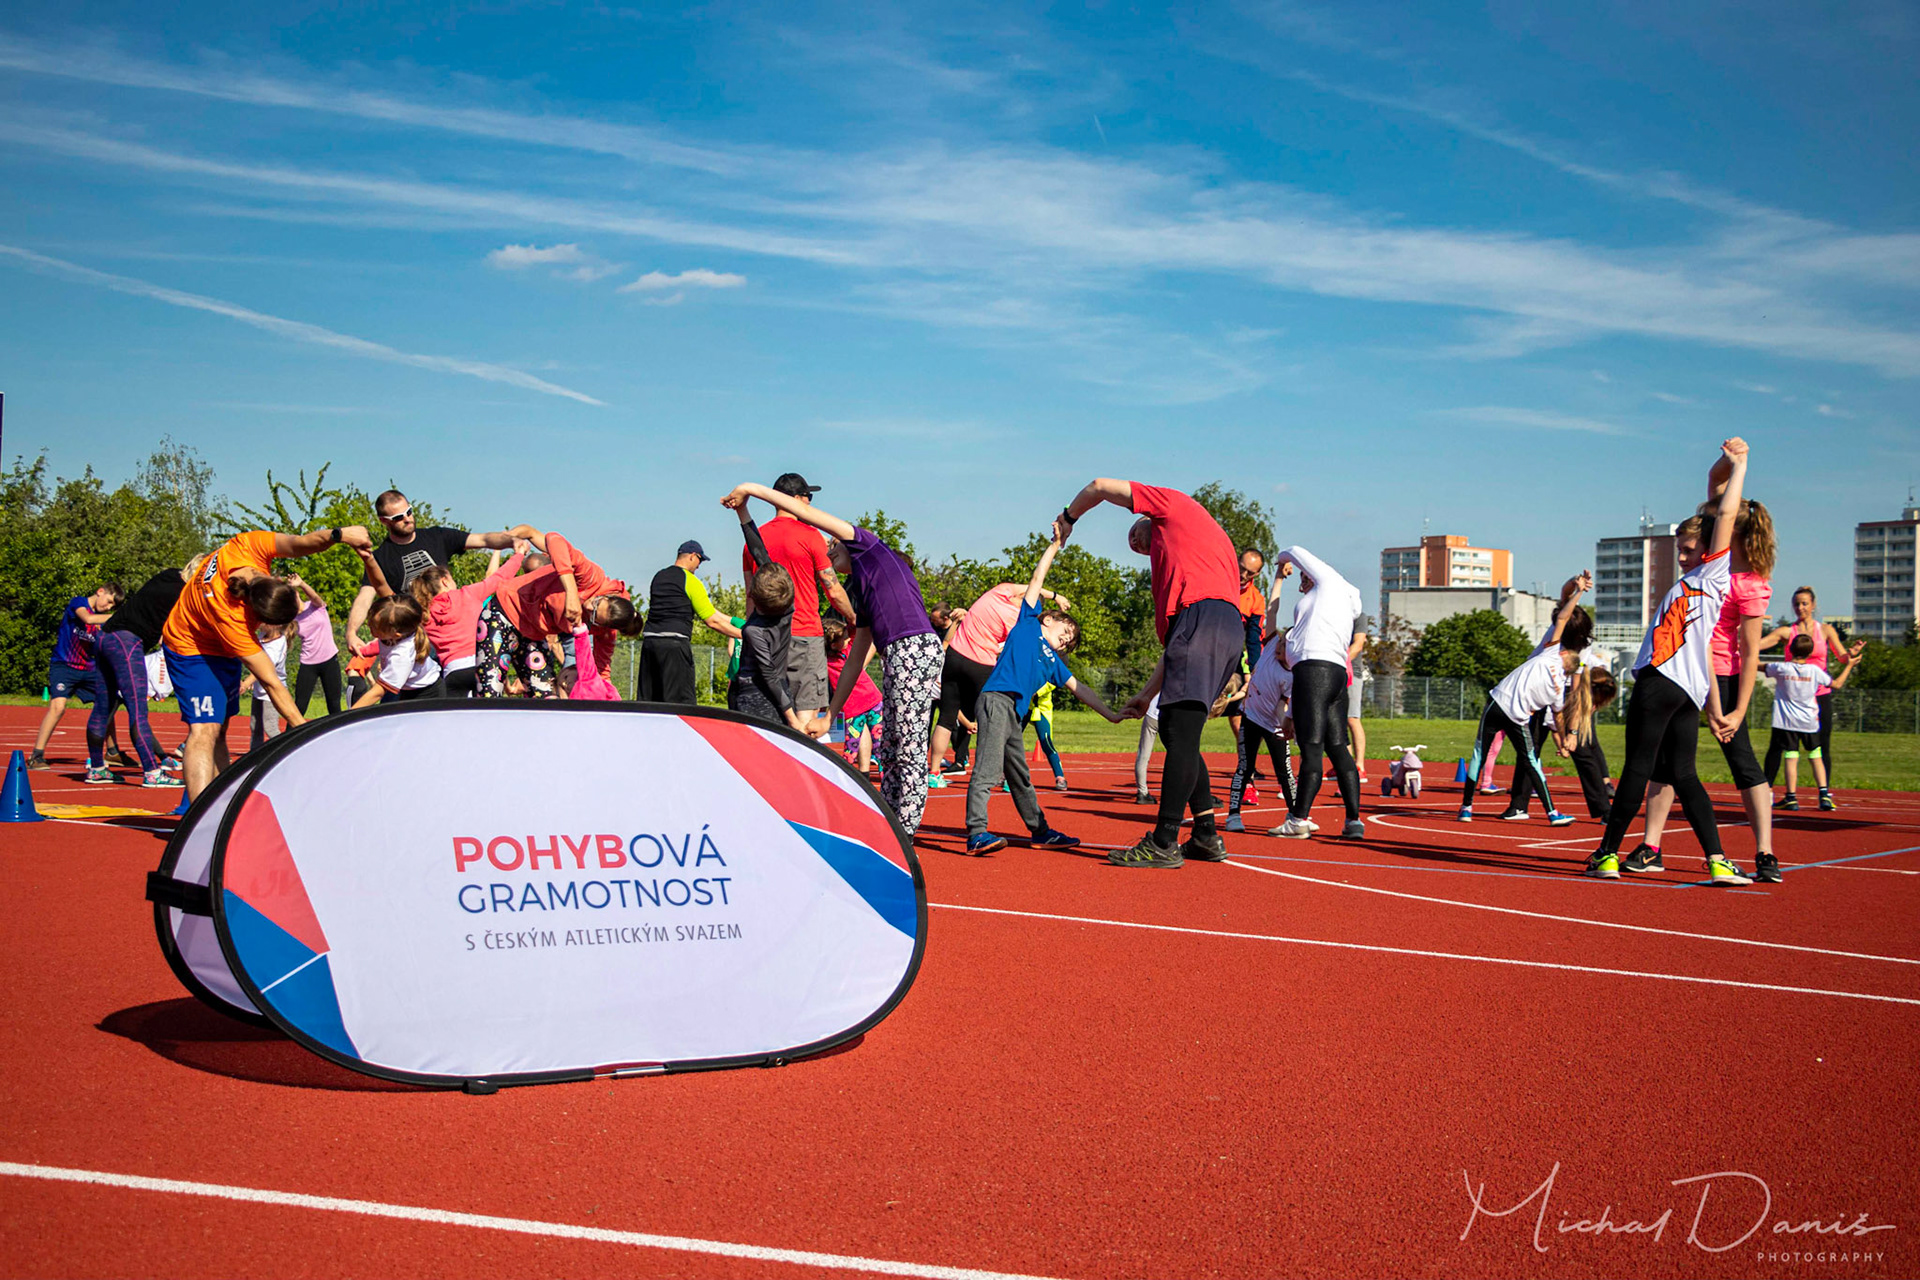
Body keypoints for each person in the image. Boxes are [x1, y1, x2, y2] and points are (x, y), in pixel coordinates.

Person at [722, 481, 942, 834]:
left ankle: (905, 831)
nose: (829, 546)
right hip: (898, 655)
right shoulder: (864, 590)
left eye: (834, 544)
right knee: (890, 746)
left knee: (908, 746)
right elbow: (856, 658)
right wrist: (830, 716)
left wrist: (750, 489)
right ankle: (890, 822)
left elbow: (804, 511)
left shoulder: (868, 547)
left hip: (913, 649)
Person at [1586, 439, 1751, 884]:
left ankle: (1607, 854)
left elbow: (1726, 515)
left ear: (1709, 551)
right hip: (1687, 692)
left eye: (1688, 550)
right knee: (1683, 774)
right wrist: (1724, 465)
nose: (1681, 558)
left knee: (1638, 769)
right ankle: (1717, 859)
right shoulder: (1698, 578)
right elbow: (1715, 493)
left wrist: (1741, 467)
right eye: (1679, 549)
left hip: (1661, 683)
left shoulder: (1713, 573)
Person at [1055, 479, 1240, 868]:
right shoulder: (1202, 552)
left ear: (1147, 516)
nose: (1137, 546)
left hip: (1202, 621)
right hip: (1221, 629)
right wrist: (1145, 694)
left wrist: (1069, 517)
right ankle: (1205, 835)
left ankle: (1163, 841)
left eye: (1137, 538)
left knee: (1180, 732)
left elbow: (1099, 486)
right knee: (1176, 729)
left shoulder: (1172, 505)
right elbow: (1176, 648)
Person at [1625, 495, 1778, 879]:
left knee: (1743, 762)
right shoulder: (1708, 570)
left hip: (1723, 679)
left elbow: (1749, 651)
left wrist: (1737, 710)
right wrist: (1729, 466)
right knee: (1666, 763)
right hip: (1689, 675)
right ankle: (1651, 847)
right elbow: (1717, 491)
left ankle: (1765, 853)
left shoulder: (1748, 584)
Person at [163, 525, 371, 803]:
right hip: (190, 647)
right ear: (259, 618)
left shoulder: (249, 546)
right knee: (204, 729)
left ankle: (223, 807)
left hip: (220, 647)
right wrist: (304, 730)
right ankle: (198, 817)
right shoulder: (234, 621)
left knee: (220, 730)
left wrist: (339, 535)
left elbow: (299, 544)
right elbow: (272, 683)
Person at [963, 532, 1128, 854]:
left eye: (1070, 642)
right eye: (1066, 632)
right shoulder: (1027, 623)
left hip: (1014, 714)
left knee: (1020, 776)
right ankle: (976, 833)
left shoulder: (1053, 662)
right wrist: (1054, 546)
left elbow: (1081, 689)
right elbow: (1037, 578)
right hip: (996, 701)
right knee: (988, 769)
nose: (1066, 640)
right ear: (1048, 618)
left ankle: (1040, 832)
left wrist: (1112, 715)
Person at [1458, 574, 1593, 827]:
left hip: (1498, 703)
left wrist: (1579, 593)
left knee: (1480, 754)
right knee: (1531, 762)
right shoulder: (1558, 688)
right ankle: (1552, 813)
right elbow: (1559, 716)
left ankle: (1466, 808)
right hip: (1517, 715)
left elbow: (1562, 618)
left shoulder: (1551, 651)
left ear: (1565, 657)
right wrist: (1565, 739)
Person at [1266, 546, 1367, 841]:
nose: (1303, 580)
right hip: (1334, 672)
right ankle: (1353, 821)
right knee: (1337, 746)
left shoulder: (1329, 582)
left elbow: (1295, 550)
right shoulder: (1347, 598)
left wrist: (1282, 561)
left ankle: (1298, 820)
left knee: (1311, 748)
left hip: (1313, 670)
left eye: (1305, 576)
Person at [742, 474, 856, 733]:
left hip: (767, 636)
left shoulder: (753, 541)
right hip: (805, 633)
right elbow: (832, 588)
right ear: (796, 499)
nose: (810, 503)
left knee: (771, 716)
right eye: (808, 497)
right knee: (806, 718)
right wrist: (852, 619)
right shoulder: (811, 536)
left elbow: (750, 595)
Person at [932, 578, 1073, 784]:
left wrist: (1055, 596)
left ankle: (934, 772)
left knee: (945, 718)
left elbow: (1034, 583)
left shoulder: (1000, 592)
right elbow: (1009, 649)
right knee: (994, 720)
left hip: (954, 655)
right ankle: (1000, 775)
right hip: (981, 663)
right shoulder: (1021, 623)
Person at [342, 489, 528, 645]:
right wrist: (351, 633)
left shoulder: (437, 536)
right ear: (384, 521)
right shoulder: (381, 557)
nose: (407, 519)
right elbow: (365, 597)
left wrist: (511, 541)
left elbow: (483, 539)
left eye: (409, 511)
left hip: (454, 631)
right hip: (418, 638)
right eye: (398, 517)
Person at [475, 530, 637, 699]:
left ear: (603, 626)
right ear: (607, 596)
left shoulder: (605, 633)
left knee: (546, 696)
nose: (589, 607)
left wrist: (608, 699)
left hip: (532, 634)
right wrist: (571, 592)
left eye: (594, 616)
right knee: (489, 693)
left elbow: (602, 673)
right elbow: (554, 539)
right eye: (596, 602)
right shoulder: (591, 577)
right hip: (503, 613)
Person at [87, 568, 186, 786]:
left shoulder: (168, 575)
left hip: (105, 637)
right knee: (137, 709)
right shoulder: (187, 593)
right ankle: (152, 772)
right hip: (127, 641)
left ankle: (96, 769)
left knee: (102, 706)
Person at [1759, 588, 1849, 793]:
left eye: (1805, 603)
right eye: (1797, 604)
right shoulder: (1786, 632)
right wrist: (1739, 641)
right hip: (1791, 698)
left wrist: (1851, 655)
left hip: (1819, 695)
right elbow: (1757, 644)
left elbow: (1842, 656)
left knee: (1822, 745)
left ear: (1813, 605)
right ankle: (1765, 790)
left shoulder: (1825, 630)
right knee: (1777, 745)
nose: (1800, 608)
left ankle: (1824, 792)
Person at [728, 512, 810, 733]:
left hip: (753, 696)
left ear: (753, 597)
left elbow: (768, 674)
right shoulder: (787, 605)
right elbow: (759, 552)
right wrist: (742, 512)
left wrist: (793, 721)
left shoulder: (754, 631)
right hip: (781, 691)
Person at [412, 544, 530, 697]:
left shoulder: (424, 614)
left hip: (453, 672)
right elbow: (499, 578)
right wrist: (519, 554)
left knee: (459, 713)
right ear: (445, 581)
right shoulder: (466, 594)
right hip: (483, 664)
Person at [29, 585, 125, 771]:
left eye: (112, 607)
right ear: (100, 591)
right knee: (58, 707)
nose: (108, 607)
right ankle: (36, 755)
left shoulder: (102, 620)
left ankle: (112, 752)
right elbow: (87, 618)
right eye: (108, 602)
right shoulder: (79, 603)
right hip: (64, 665)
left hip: (89, 668)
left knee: (107, 704)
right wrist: (117, 616)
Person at [1505, 665, 1619, 821]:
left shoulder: (1582, 672)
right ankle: (1518, 806)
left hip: (1561, 696)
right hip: (1546, 698)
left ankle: (1604, 809)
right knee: (1530, 752)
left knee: (1585, 751)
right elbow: (1553, 720)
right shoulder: (1566, 689)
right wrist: (1565, 740)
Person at [1766, 635, 1863, 816]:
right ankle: (1824, 794)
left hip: (1788, 721)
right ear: (1811, 653)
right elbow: (1837, 684)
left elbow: (1756, 665)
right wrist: (1849, 665)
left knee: (1791, 756)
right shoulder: (1815, 670)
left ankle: (1791, 796)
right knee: (1816, 756)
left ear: (1790, 650)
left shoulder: (1780, 668)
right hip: (1809, 721)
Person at [641, 541, 742, 704]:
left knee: (650, 703)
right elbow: (712, 621)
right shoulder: (691, 580)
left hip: (650, 644)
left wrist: (735, 623)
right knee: (681, 704)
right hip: (674, 646)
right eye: (700, 560)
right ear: (692, 556)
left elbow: (712, 612)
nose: (699, 566)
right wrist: (744, 634)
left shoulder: (659, 577)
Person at [1224, 610, 1297, 833]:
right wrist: (1277, 587)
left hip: (1273, 726)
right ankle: (1233, 815)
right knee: (1244, 768)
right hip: (1250, 718)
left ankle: (1295, 815)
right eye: (1280, 641)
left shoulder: (1291, 676)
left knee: (1284, 772)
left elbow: (1281, 706)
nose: (1279, 646)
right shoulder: (1270, 650)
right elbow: (1272, 611)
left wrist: (1285, 723)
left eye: (1285, 644)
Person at [824, 616, 883, 770]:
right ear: (833, 644)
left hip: (873, 702)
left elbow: (857, 627)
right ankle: (850, 777)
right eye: (844, 638)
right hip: (852, 709)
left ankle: (886, 778)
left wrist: (849, 620)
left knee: (881, 745)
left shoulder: (851, 649)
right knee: (851, 748)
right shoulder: (826, 661)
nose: (848, 638)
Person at [1227, 548, 1266, 779]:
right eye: (1241, 568)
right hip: (1207, 653)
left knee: (1238, 716)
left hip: (1233, 658)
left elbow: (1253, 639)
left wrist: (1255, 670)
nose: (1243, 575)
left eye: (1249, 573)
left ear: (1257, 574)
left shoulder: (1256, 600)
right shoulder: (1220, 581)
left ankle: (1247, 765)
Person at [286, 574, 343, 717]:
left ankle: (338, 731)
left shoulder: (314, 606)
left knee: (334, 705)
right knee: (300, 705)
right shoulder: (292, 619)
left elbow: (315, 597)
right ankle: (293, 731)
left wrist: (301, 583)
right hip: (308, 663)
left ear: (297, 594)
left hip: (330, 660)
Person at [244, 621, 292, 748]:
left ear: (275, 624)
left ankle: (284, 750)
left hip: (272, 692)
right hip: (260, 690)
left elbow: (263, 668)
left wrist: (247, 682)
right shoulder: (261, 637)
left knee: (270, 727)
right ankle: (255, 754)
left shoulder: (277, 644)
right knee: (255, 725)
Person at [1027, 683, 1068, 790]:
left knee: (1046, 743)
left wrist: (1034, 691)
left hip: (1041, 710)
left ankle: (1060, 777)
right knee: (1010, 740)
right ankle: (1005, 776)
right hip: (1024, 707)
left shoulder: (1048, 674)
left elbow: (1050, 684)